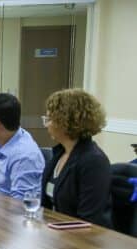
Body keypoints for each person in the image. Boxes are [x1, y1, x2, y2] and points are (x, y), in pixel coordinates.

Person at [41, 89, 112, 227]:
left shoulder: (93, 161)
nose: (46, 124)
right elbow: (46, 206)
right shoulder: (58, 154)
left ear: (66, 121)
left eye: (49, 119)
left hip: (80, 237)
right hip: (55, 231)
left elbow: (88, 221)